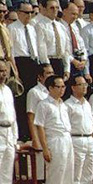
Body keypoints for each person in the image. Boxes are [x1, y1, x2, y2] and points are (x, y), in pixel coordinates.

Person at [33, 75, 74, 184]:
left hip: (67, 139)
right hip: (54, 139)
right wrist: (45, 148)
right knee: (56, 175)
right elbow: (40, 127)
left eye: (63, 87)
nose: (62, 89)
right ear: (50, 88)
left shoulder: (63, 105)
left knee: (67, 175)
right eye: (59, 87)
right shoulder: (44, 105)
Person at [8, 0, 39, 138]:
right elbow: (12, 51)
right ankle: (23, 133)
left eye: (31, 12)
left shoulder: (32, 28)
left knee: (33, 98)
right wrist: (15, 70)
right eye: (26, 12)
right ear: (19, 13)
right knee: (21, 100)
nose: (29, 15)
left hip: (32, 62)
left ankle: (33, 132)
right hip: (20, 62)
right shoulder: (12, 28)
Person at [66, 75, 93, 184]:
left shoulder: (87, 103)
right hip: (76, 139)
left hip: (89, 138)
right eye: (81, 85)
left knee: (88, 174)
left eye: (85, 85)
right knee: (76, 173)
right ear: (73, 87)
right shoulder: (68, 105)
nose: (84, 87)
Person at [26, 63, 53, 184]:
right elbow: (31, 116)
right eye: (48, 74)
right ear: (40, 77)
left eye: (52, 73)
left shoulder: (52, 93)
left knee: (50, 173)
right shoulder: (34, 93)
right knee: (41, 174)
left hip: (51, 137)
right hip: (40, 136)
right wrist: (35, 139)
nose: (51, 75)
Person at [0, 60, 18, 184]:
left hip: (8, 132)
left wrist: (14, 140)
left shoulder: (7, 91)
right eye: (0, 71)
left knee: (6, 175)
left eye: (5, 71)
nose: (3, 74)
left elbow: (13, 116)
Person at [35, 0, 70, 78]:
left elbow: (67, 49)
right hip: (49, 61)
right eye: (51, 8)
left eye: (57, 8)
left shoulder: (61, 27)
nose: (55, 10)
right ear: (45, 9)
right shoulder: (40, 25)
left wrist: (67, 68)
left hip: (60, 61)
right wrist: (47, 66)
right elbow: (41, 48)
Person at [61, 1, 89, 81]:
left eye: (76, 14)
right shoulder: (60, 26)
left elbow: (82, 44)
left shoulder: (75, 27)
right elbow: (63, 48)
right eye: (73, 14)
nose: (75, 17)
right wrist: (73, 60)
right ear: (64, 12)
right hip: (67, 63)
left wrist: (84, 59)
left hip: (79, 63)